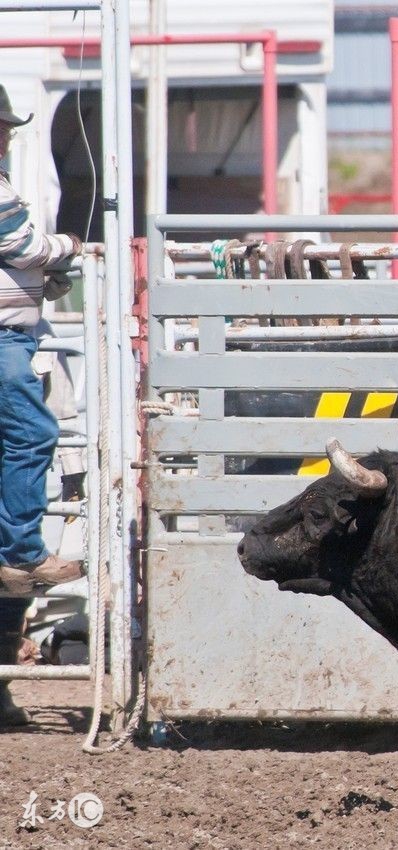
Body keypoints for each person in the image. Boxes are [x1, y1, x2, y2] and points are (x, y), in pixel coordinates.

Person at [0, 84, 84, 725]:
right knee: (32, 436)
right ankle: (22, 553)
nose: (7, 136)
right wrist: (67, 249)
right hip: (8, 339)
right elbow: (23, 246)